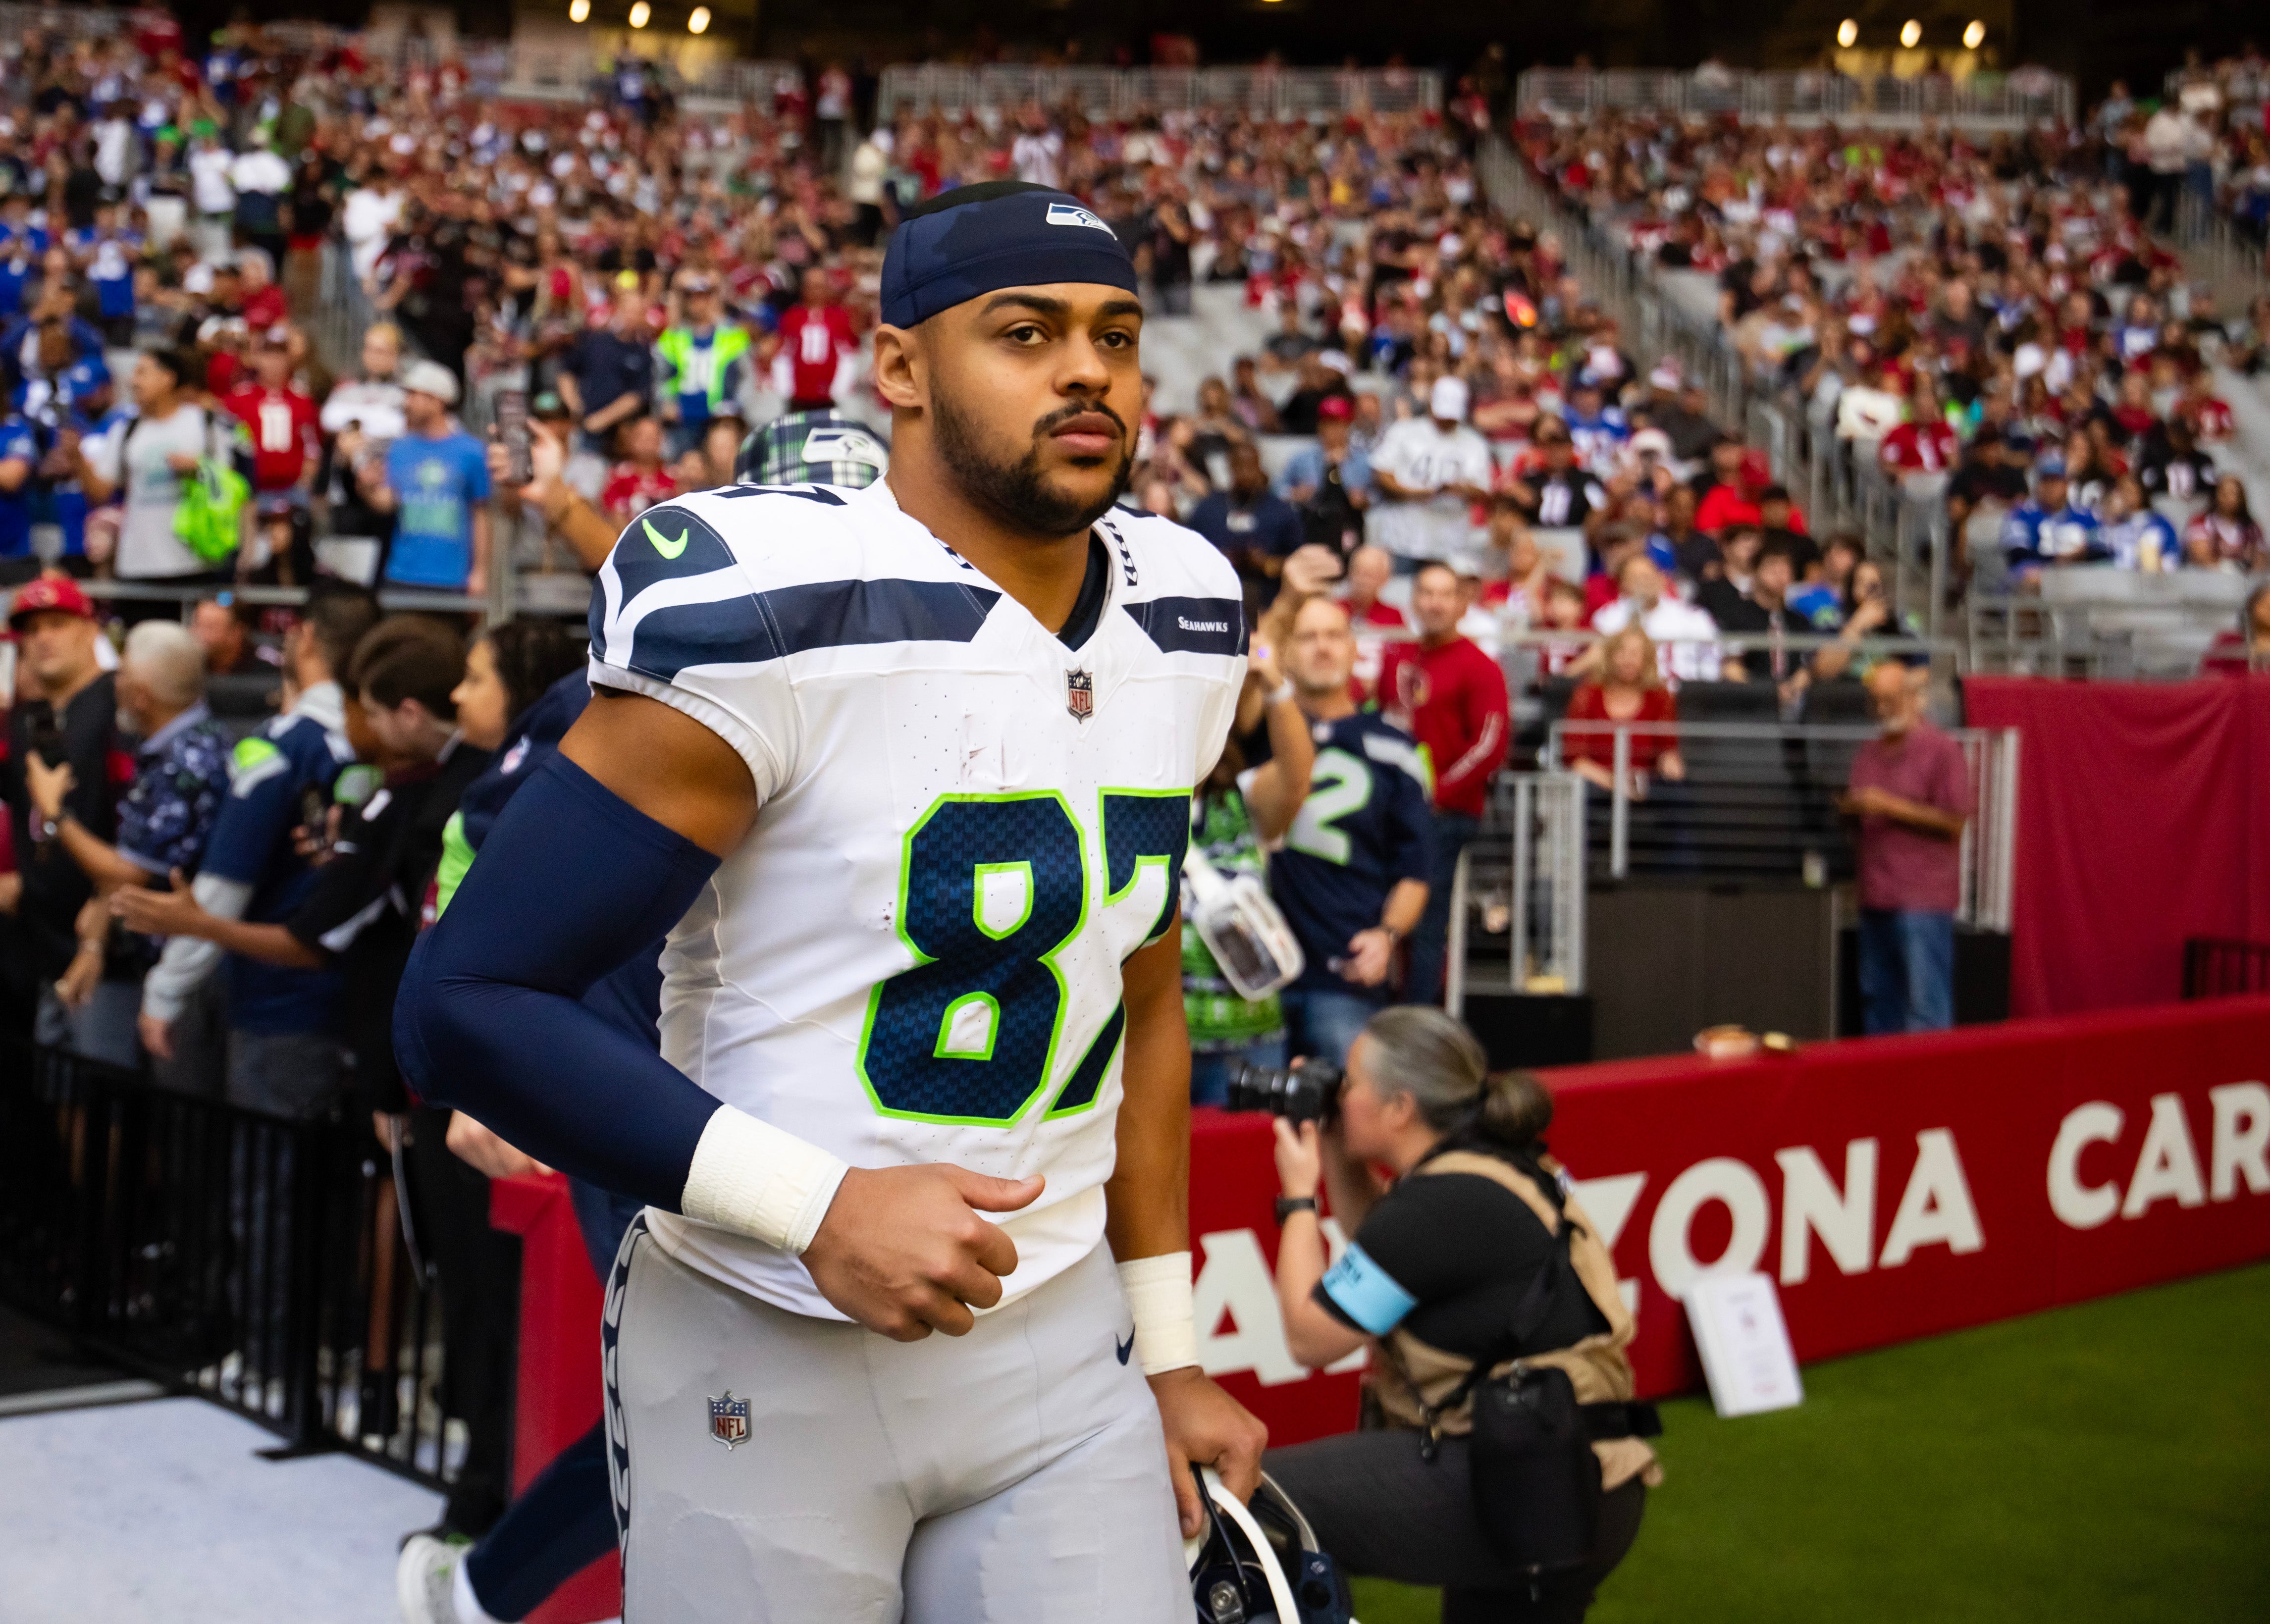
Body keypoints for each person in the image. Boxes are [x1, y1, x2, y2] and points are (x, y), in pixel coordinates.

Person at [395, 179, 1266, 1618]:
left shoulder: (1187, 605)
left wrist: (1168, 1349)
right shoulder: (769, 602)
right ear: (900, 368)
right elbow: (464, 1000)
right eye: (1026, 332)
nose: (1086, 371)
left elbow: (1144, 994)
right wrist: (817, 1206)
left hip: (1062, 1348)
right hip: (764, 1331)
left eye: (1114, 335)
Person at [1262, 1008, 1656, 1622]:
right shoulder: (1483, 1169)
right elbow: (1384, 1248)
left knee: (1263, 1506)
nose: (1340, 1093)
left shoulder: (1443, 1202)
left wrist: (1296, 1196)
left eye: (1351, 1082)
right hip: (1565, 1476)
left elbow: (1309, 1338)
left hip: (1535, 1484)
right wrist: (1338, 1149)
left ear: (1400, 1107)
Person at [135, 587, 380, 1110]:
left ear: (305, 637)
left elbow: (225, 884)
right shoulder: (384, 743)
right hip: (355, 992)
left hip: (277, 1000)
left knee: (257, 1157)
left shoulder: (282, 746)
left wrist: (166, 988)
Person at [21, 619, 230, 1082]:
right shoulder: (175, 746)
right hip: (150, 958)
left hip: (186, 967)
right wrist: (95, 935)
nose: (115, 686)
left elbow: (127, 871)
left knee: (168, 1104)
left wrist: (54, 812)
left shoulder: (184, 761)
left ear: (141, 696)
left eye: (124, 678)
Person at [1270, 594, 1431, 1065]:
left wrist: (1387, 935)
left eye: (1334, 635)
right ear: (1286, 652)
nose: (1322, 647)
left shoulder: (1396, 748)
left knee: (1351, 1104)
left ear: (1355, 649)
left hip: (1346, 971)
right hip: (1252, 972)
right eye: (1307, 637)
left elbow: (1417, 870)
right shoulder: (1255, 735)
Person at [0, 576, 132, 1063]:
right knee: (56, 1089)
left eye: (57, 624)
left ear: (89, 628)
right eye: (32, 630)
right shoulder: (28, 717)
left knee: (103, 1090)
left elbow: (139, 824)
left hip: (108, 944)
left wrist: (106, 907)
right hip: (43, 940)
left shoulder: (118, 703)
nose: (43, 639)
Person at [1184, 638, 1316, 1105]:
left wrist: (1274, 684)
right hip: (1154, 1042)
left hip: (1250, 1042)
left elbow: (1296, 778)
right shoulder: (1126, 809)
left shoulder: (1239, 803)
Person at [1377, 561, 1510, 1005]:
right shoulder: (1398, 658)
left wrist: (1435, 794)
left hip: (1445, 814)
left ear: (1461, 604)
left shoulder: (1480, 666)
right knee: (1380, 912)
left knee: (1426, 923)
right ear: (1413, 601)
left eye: (1444, 594)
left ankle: (1415, 1020)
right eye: (1426, 593)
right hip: (1392, 810)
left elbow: (1489, 745)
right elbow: (1382, 728)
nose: (1434, 603)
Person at [1840, 663, 1972, 1035]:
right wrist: (1850, 811)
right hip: (1875, 896)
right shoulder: (1868, 752)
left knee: (1925, 1006)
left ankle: (1927, 1074)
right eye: (1876, 701)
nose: (1883, 709)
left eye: (1891, 700)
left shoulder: (1942, 750)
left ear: (1913, 698)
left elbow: (1955, 822)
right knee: (1878, 1000)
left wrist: (1887, 805)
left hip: (1923, 901)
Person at [364, 361, 492, 596]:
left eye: (415, 395)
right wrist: (367, 487)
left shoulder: (471, 452)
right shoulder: (400, 449)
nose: (408, 402)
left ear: (438, 400)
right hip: (402, 573)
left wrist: (480, 571)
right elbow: (388, 503)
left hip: (452, 576)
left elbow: (480, 515)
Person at [1371, 376, 1494, 571]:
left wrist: (1458, 489)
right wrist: (1418, 493)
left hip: (1450, 542)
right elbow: (1382, 473)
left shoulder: (1474, 443)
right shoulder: (1404, 432)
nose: (1447, 421)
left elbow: (1483, 490)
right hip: (1403, 537)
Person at [1561, 624, 1685, 798]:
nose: (1628, 660)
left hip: (1645, 788)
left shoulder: (1660, 697)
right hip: (1596, 787)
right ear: (1609, 656)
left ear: (1647, 659)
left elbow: (1667, 749)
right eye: (1621, 652)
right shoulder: (1587, 695)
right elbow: (1576, 760)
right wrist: (1616, 785)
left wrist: (1670, 763)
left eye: (1635, 654)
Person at [1188, 440, 1304, 615]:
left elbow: (1299, 562)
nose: (1245, 473)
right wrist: (1219, 560)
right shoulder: (1208, 510)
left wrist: (1266, 563)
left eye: (1251, 466)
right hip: (1213, 607)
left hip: (1269, 607)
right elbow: (1189, 557)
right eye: (1240, 466)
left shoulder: (1281, 512)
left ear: (1259, 467)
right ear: (1230, 467)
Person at [654, 274, 751, 460]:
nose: (696, 302)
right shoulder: (672, 337)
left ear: (711, 299)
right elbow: (660, 378)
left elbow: (747, 378)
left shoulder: (733, 337)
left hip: (719, 419)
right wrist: (664, 403)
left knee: (721, 466)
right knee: (682, 467)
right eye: (691, 297)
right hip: (682, 422)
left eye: (702, 296)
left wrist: (737, 406)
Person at [1590, 554, 1726, 686]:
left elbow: (1712, 661)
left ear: (1661, 579)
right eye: (1636, 578)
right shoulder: (1607, 619)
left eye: (1648, 577)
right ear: (1624, 585)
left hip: (1685, 694)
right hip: (1628, 692)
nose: (1644, 583)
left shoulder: (1693, 617)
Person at [1274, 393, 1374, 559]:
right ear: (1320, 426)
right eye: (1328, 424)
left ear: (1348, 426)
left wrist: (1365, 499)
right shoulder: (1303, 459)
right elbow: (1277, 489)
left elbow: (1378, 495)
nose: (1334, 430)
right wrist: (1295, 493)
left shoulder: (1362, 461)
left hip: (1350, 527)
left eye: (1339, 424)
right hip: (1312, 525)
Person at [560, 286, 656, 454]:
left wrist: (601, 420)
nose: (631, 316)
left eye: (637, 312)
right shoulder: (595, 341)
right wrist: (574, 405)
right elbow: (567, 372)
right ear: (618, 310)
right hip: (583, 429)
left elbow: (636, 396)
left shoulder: (643, 354)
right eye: (628, 310)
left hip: (619, 436)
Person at [771, 264, 860, 411]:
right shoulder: (792, 317)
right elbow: (784, 354)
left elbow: (847, 355)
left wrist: (839, 390)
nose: (815, 291)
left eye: (820, 286)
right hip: (798, 396)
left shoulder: (839, 317)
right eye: (811, 286)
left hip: (830, 397)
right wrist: (785, 389)